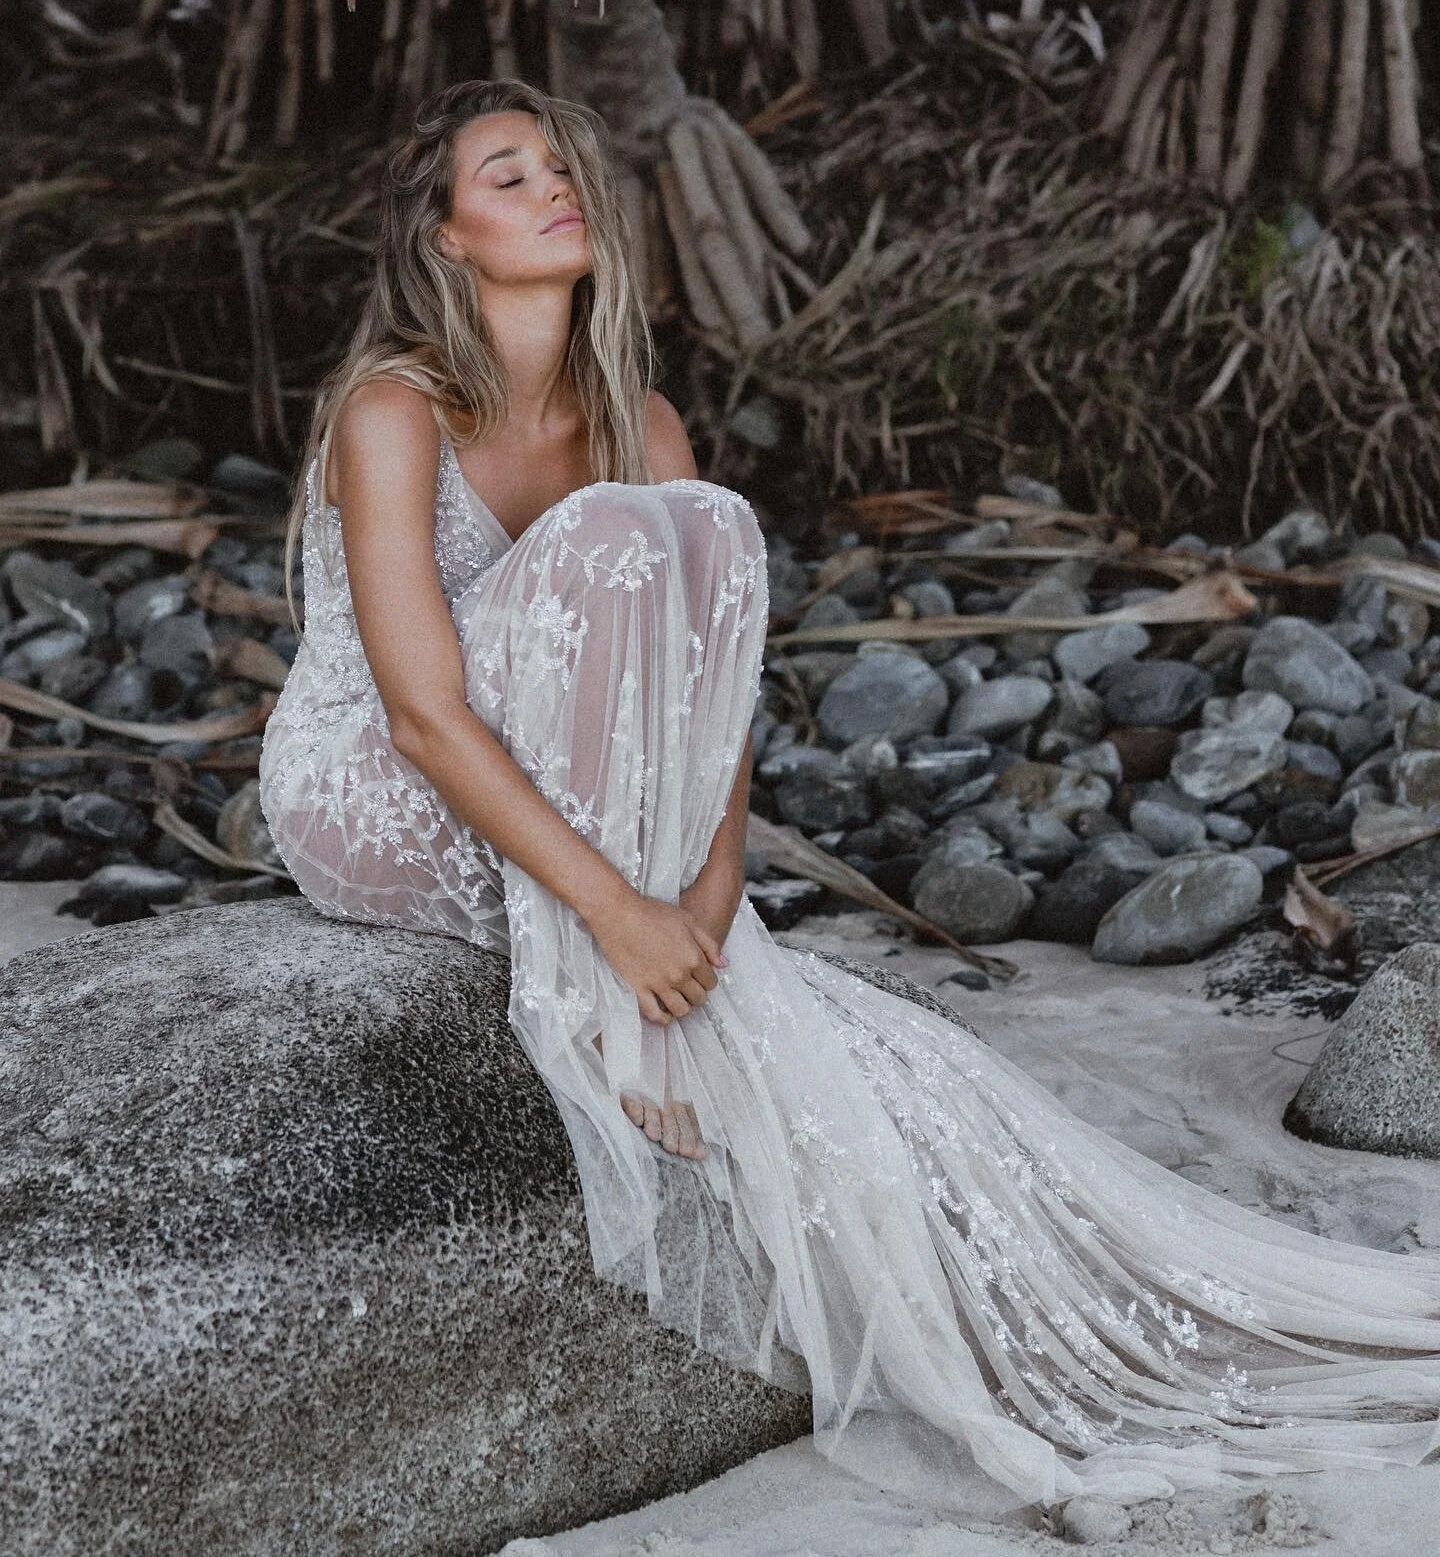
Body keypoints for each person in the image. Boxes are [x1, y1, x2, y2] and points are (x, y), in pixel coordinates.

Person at [259, 77, 1440, 1515]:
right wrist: (621, 927)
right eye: (511, 175)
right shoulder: (394, 411)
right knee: (631, 542)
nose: (559, 186)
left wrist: (705, 898)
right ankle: (603, 1018)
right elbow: (424, 715)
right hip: (379, 787)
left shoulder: (646, 424)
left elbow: (712, 705)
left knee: (688, 522)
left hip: (584, 808)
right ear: (444, 237)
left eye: (567, 164)